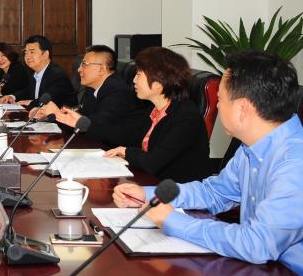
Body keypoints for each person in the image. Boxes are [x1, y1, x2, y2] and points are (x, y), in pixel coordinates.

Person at [114, 51, 303, 276]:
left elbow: (257, 244)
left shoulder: (297, 163)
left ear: (243, 108)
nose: (217, 106)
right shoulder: (251, 147)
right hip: (265, 271)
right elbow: (214, 192)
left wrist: (173, 221)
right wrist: (149, 195)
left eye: (220, 100)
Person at [55, 46, 210, 183]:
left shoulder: (186, 117)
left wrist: (126, 152)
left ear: (158, 83)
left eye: (139, 75)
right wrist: (84, 124)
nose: (134, 80)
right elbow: (126, 135)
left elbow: (152, 162)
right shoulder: (154, 109)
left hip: (178, 193)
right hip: (150, 182)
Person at [34, 45, 136, 133]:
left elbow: (95, 126)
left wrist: (57, 114)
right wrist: (50, 115)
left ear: (102, 69)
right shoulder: (93, 88)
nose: (79, 70)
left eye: (84, 64)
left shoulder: (118, 91)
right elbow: (83, 117)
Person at [0, 35, 78, 108]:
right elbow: (29, 91)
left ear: (45, 54)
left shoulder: (57, 75)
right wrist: (12, 97)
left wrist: (30, 102)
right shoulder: (34, 72)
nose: (27, 56)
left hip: (61, 118)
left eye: (32, 52)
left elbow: (46, 100)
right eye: (26, 52)